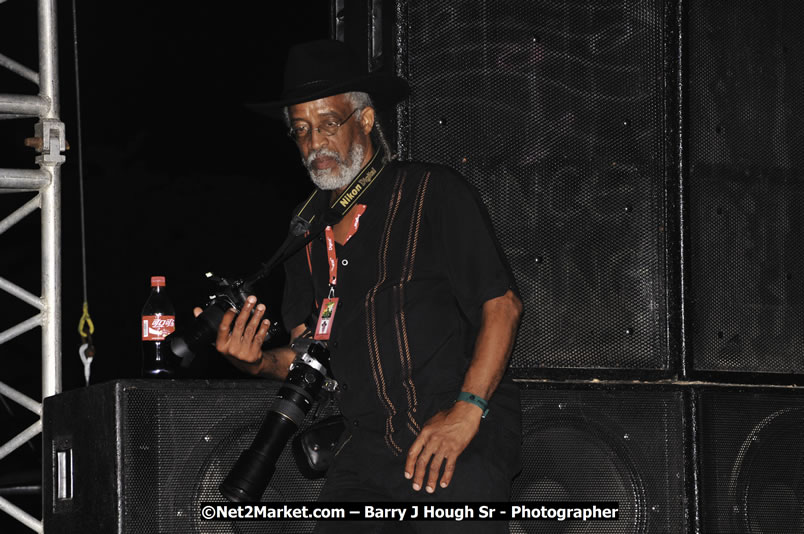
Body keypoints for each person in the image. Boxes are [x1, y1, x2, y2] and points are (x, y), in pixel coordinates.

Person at [202, 40, 523, 533]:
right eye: (302, 130)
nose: (315, 144)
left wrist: (467, 411)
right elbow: (308, 353)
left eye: (329, 122)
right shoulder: (305, 232)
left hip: (452, 435)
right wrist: (256, 361)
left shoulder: (431, 192)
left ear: (366, 120)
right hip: (365, 452)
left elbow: (501, 305)